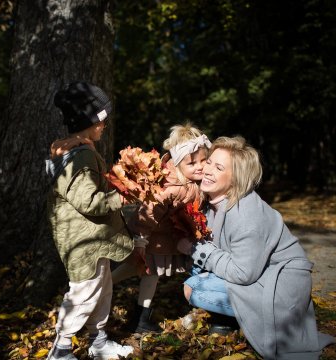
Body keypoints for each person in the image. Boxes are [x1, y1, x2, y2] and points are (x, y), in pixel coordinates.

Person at [183, 136, 335, 359]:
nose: (207, 170)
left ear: (236, 178)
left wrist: (197, 250)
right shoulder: (215, 202)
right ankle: (230, 318)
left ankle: (237, 319)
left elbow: (244, 273)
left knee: (193, 289)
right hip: (258, 272)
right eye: (209, 162)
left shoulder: (246, 214)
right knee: (195, 272)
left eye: (218, 167)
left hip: (280, 285)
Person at [45, 81, 135, 360]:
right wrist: (123, 197)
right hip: (84, 241)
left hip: (92, 239)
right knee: (84, 293)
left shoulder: (77, 149)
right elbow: (89, 202)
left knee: (101, 288)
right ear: (91, 121)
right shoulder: (79, 155)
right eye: (102, 121)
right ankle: (60, 350)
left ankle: (99, 340)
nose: (104, 127)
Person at [112, 123, 212, 333]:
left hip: (167, 239)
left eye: (203, 160)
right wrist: (141, 238)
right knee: (142, 270)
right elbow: (149, 212)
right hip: (152, 238)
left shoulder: (195, 182)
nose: (199, 166)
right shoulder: (173, 187)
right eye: (192, 163)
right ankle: (104, 286)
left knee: (149, 274)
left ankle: (140, 317)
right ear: (178, 163)